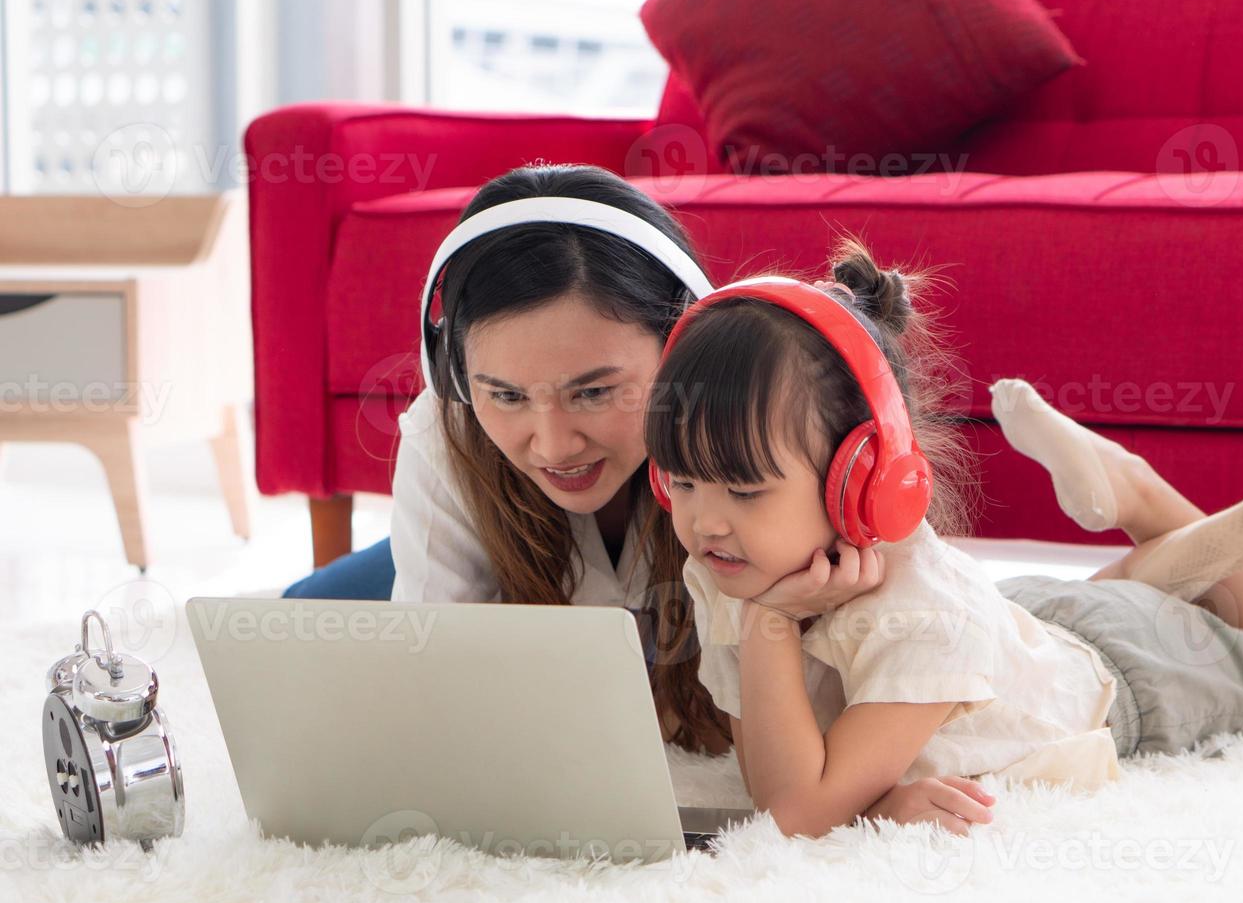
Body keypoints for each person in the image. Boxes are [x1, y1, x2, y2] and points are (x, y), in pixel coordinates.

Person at [279, 165, 1002, 826]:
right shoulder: (449, 429)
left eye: (594, 391)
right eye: (504, 394)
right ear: (460, 380)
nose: (554, 443)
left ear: (680, 346)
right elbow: (439, 689)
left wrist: (865, 792)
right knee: (302, 621)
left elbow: (830, 716)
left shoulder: (744, 430)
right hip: (503, 555)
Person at [642, 239, 1243, 837]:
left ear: (861, 478)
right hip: (1033, 627)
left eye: (743, 489)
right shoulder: (733, 557)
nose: (704, 520)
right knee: (1132, 602)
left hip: (1132, 677)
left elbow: (795, 815)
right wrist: (862, 798)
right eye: (682, 481)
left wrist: (770, 629)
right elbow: (780, 775)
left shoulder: (922, 618)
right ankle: (1157, 546)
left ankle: (1145, 496)